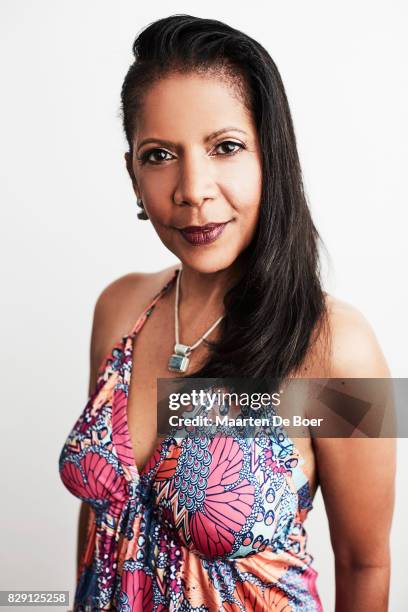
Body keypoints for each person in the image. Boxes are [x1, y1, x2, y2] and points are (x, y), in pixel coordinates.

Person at [59, 14, 395, 611]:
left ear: (272, 157)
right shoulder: (120, 309)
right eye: (160, 154)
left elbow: (364, 560)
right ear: (132, 175)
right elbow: (98, 532)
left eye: (226, 147)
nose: (193, 188)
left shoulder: (337, 347)